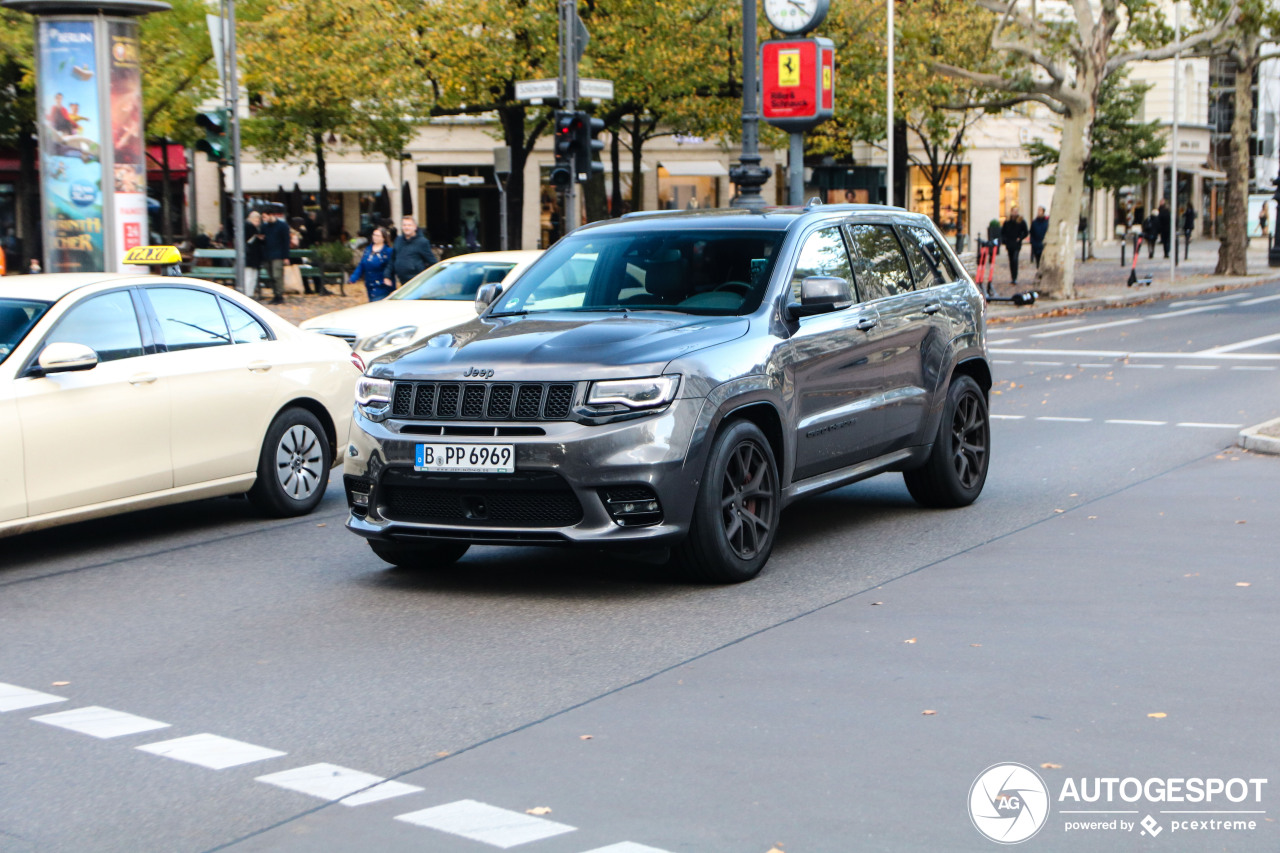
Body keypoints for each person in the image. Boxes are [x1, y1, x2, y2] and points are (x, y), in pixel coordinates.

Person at [348, 226, 394, 301]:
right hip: (370, 284)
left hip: (382, 285)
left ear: (383, 238)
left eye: (378, 236)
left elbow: (390, 266)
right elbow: (362, 265)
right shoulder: (368, 249)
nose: (375, 237)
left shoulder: (388, 251)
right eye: (374, 235)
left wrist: (387, 277)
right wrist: (354, 277)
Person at [390, 215, 437, 287]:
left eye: (409, 225)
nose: (406, 227)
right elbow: (393, 259)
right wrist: (387, 275)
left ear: (415, 227)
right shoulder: (398, 240)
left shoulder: (422, 242)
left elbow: (432, 262)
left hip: (416, 282)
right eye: (404, 225)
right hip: (402, 281)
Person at [261, 205, 292, 305]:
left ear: (270, 215)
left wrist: (285, 256)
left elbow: (286, 242)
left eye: (265, 217)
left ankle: (279, 295)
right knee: (271, 276)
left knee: (277, 275)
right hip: (267, 254)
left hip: (278, 254)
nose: (264, 219)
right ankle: (276, 294)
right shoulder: (264, 227)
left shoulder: (282, 226)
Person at [1001, 206, 1029, 285]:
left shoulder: (1021, 221)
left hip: (1016, 244)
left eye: (1016, 211)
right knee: (1011, 260)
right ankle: (1012, 277)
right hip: (1009, 243)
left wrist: (1020, 238)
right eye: (1014, 211)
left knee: (1015, 259)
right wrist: (1005, 240)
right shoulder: (1007, 222)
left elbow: (1026, 232)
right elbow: (1003, 232)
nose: (1015, 213)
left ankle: (1015, 277)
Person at [243, 210, 263, 298]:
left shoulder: (250, 227)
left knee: (251, 276)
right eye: (256, 220)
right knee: (250, 276)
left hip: (252, 257)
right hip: (250, 257)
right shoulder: (249, 227)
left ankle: (249, 293)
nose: (258, 223)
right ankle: (248, 293)